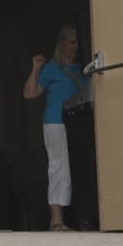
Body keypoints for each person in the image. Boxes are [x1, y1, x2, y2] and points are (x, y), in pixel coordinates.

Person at [23, 26, 87, 231]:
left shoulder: (84, 69)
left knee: (78, 167)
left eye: (76, 42)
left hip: (79, 123)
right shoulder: (51, 68)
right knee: (58, 168)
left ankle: (82, 217)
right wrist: (36, 68)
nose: (74, 46)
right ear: (61, 44)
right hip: (56, 123)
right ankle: (56, 220)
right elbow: (29, 94)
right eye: (70, 41)